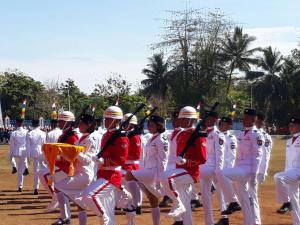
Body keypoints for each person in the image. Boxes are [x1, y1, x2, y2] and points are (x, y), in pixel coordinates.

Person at [83, 106, 129, 225]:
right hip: (102, 173)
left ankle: (104, 217)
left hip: (112, 175)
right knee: (107, 207)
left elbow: (121, 160)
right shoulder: (106, 135)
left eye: (109, 119)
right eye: (106, 119)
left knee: (89, 195)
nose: (106, 121)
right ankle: (106, 219)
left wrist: (104, 161)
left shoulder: (122, 137)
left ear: (117, 121)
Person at [161, 106, 207, 225]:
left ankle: (178, 205)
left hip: (190, 173)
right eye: (180, 119)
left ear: (191, 120)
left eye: (183, 119)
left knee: (167, 178)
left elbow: (202, 159)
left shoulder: (198, 135)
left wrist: (186, 161)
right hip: (180, 171)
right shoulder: (181, 134)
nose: (180, 121)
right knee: (186, 202)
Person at [218, 109, 263, 225]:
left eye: (247, 118)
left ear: (254, 119)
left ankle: (233, 202)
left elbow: (258, 156)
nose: (244, 120)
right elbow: (238, 155)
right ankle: (248, 222)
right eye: (243, 117)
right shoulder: (241, 134)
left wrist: (254, 174)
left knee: (221, 173)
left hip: (249, 170)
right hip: (240, 169)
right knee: (245, 200)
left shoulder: (257, 135)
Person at [52, 114, 98, 225]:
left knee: (58, 187)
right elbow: (74, 157)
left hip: (85, 174)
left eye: (82, 123)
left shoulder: (93, 138)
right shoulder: (82, 138)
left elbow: (87, 160)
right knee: (80, 203)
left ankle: (65, 217)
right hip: (79, 172)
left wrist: (73, 151)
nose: (79, 125)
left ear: (89, 125)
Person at [125, 115, 168, 225]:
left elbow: (163, 160)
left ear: (159, 126)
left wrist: (159, 180)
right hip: (149, 170)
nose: (149, 126)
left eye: (152, 125)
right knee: (153, 200)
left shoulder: (161, 139)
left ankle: (134, 204)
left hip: (154, 172)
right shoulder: (152, 138)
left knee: (129, 175)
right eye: (148, 124)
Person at [39, 112, 78, 213]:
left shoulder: (72, 137)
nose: (59, 123)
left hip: (68, 167)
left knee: (43, 174)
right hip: (61, 164)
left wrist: (55, 158)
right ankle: (57, 198)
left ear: (68, 122)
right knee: (44, 174)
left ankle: (55, 198)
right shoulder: (64, 135)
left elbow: (72, 156)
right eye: (59, 121)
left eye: (61, 121)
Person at [199, 111, 226, 225]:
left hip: (213, 167)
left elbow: (220, 153)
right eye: (206, 118)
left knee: (220, 193)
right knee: (205, 196)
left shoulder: (217, 134)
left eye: (209, 118)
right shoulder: (204, 132)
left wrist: (219, 170)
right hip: (205, 166)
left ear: (215, 120)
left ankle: (225, 216)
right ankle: (209, 222)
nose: (206, 120)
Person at [274, 116, 300, 225]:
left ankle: (286, 202)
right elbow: (287, 160)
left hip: (298, 171)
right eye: (290, 125)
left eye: (293, 125)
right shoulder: (289, 141)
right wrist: (286, 172)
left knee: (278, 177)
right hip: (290, 172)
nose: (291, 127)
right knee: (294, 200)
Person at [250, 113, 273, 224]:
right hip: (248, 169)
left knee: (252, 197)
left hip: (257, 170)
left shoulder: (266, 136)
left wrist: (263, 172)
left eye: (261, 121)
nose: (259, 123)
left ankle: (256, 221)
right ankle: (250, 220)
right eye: (257, 121)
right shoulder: (250, 133)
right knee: (248, 197)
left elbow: (266, 156)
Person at [215, 116, 237, 225]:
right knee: (219, 194)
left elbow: (232, 156)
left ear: (229, 126)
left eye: (224, 124)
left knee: (226, 193)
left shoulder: (231, 138)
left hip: (225, 170)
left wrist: (228, 171)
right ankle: (224, 218)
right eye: (220, 124)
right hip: (217, 169)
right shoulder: (216, 136)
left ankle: (225, 216)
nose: (221, 126)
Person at [160, 111, 182, 208]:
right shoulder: (171, 133)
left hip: (178, 162)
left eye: (176, 119)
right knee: (164, 176)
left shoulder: (182, 133)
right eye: (173, 120)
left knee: (168, 177)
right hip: (170, 161)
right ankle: (167, 195)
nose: (173, 121)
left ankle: (171, 196)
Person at [122, 113, 143, 215]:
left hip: (131, 165)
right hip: (126, 164)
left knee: (132, 187)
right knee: (128, 187)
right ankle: (132, 204)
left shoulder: (134, 136)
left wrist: (122, 157)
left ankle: (136, 204)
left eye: (125, 123)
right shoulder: (127, 134)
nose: (123, 125)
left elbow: (136, 154)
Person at [26, 119, 47, 195]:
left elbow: (28, 146)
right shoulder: (43, 133)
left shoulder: (29, 133)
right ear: (38, 125)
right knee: (45, 169)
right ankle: (47, 185)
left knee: (36, 171)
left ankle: (36, 188)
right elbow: (44, 145)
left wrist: (28, 157)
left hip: (34, 152)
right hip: (42, 152)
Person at [8, 118, 29, 192]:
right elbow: (28, 143)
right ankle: (26, 168)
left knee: (10, 156)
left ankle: (14, 166)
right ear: (22, 123)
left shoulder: (13, 133)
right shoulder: (26, 132)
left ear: (17, 123)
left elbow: (11, 145)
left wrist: (11, 153)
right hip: (23, 150)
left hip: (16, 150)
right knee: (21, 169)